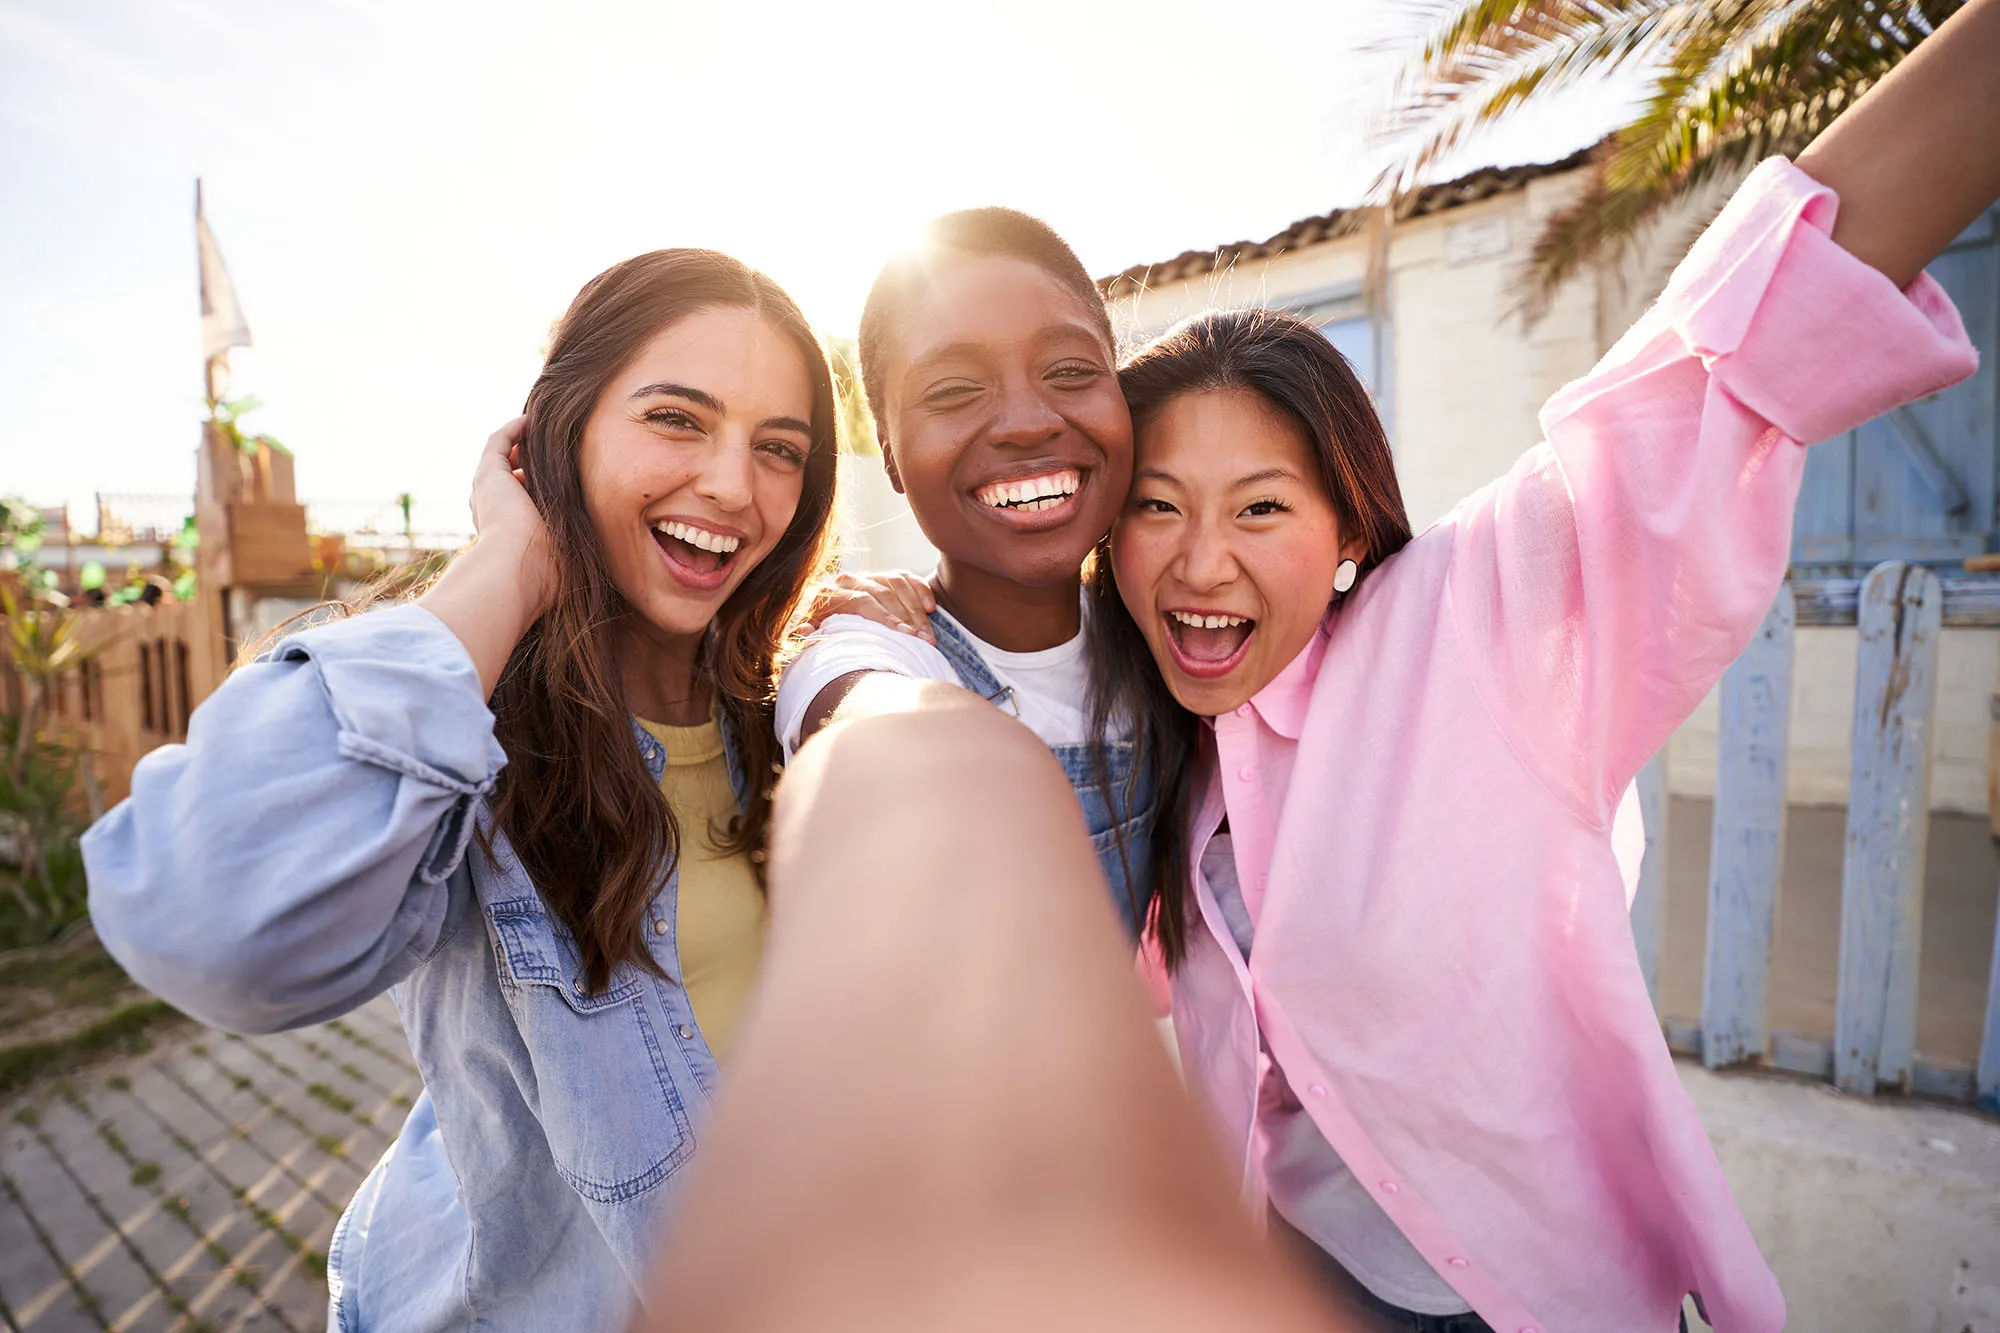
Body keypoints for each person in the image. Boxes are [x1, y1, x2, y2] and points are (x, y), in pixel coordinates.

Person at [1090, 4, 1999, 1329]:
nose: (1198, 561)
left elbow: (1718, 354)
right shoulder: (1167, 747)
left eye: (1262, 509)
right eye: (1157, 506)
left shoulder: (1472, 623)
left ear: (1349, 530)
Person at [82, 249, 841, 1332]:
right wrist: (514, 559)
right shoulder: (471, 734)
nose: (733, 484)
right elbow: (205, 922)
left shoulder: (786, 717)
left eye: (779, 449)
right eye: (677, 418)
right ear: (558, 433)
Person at [640, 695, 1367, 1333]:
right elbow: (886, 728)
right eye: (1167, 522)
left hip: (1345, 1231)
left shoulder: (1156, 669)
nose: (1204, 563)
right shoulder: (866, 646)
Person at [774, 209, 1158, 939]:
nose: (1025, 421)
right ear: (887, 453)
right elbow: (862, 727)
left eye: (1071, 372)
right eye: (953, 391)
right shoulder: (866, 644)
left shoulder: (1172, 636)